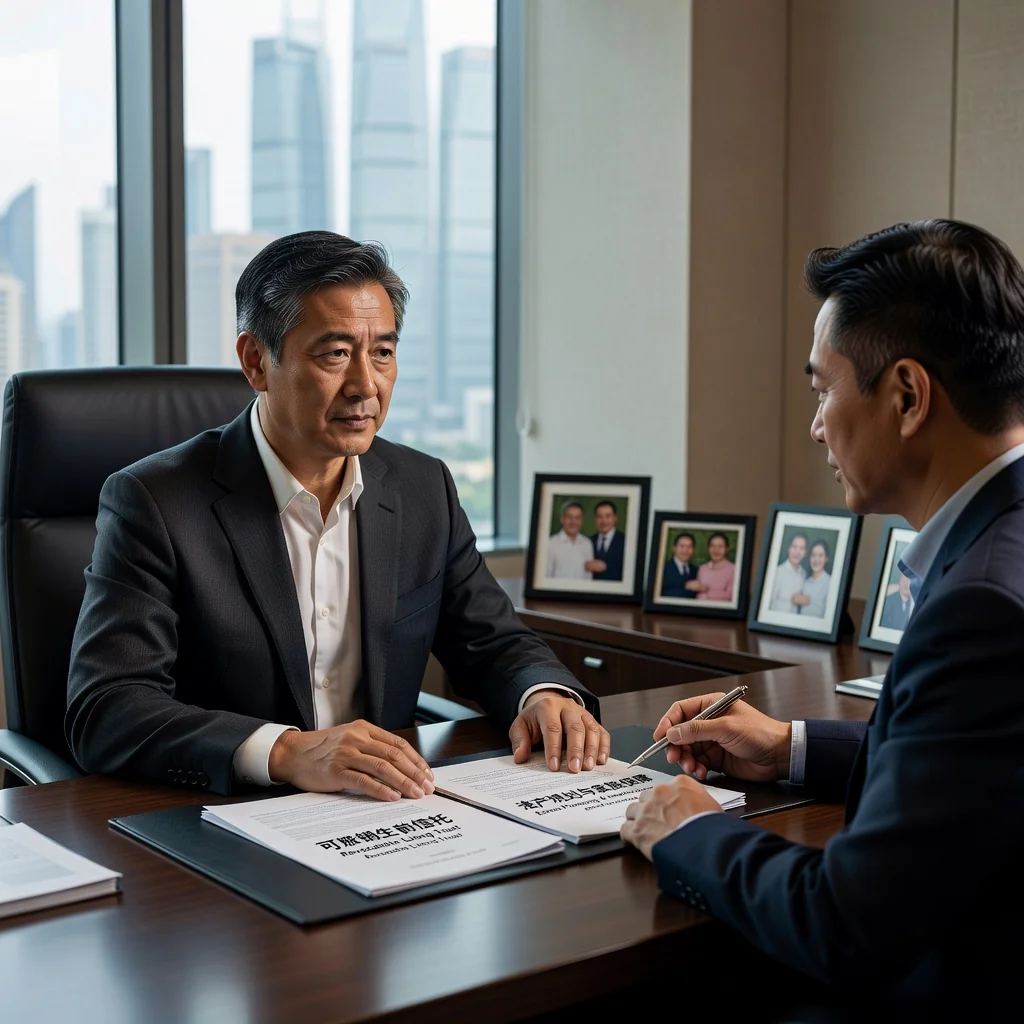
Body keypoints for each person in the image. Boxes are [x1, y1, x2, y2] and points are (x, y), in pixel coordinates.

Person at [620, 220, 1024, 1016]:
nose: (815, 426)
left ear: (907, 396)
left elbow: (847, 926)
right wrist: (787, 747)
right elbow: (971, 768)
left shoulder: (980, 606)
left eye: (821, 389)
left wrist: (690, 830)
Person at [67, 232, 610, 799]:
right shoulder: (155, 501)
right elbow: (108, 706)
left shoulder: (423, 488)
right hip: (226, 814)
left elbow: (494, 643)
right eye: (335, 354)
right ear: (256, 361)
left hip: (384, 816)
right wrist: (283, 750)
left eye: (383, 353)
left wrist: (543, 694)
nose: (366, 386)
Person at [544, 502, 595, 580]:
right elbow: (546, 577)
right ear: (562, 519)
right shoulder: (550, 544)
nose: (573, 522)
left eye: (577, 518)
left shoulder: (587, 543)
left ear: (581, 520)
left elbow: (589, 576)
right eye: (569, 517)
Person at [790, 538, 832, 618]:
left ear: (826, 558)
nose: (816, 560)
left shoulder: (830, 583)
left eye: (820, 555)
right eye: (813, 555)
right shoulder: (805, 583)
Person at [767, 533, 808, 612]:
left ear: (805, 552)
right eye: (794, 547)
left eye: (802, 548)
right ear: (789, 548)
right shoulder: (777, 572)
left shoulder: (804, 574)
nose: (797, 552)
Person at [691, 532, 736, 603]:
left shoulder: (733, 569)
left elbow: (730, 595)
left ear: (726, 549)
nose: (716, 550)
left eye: (720, 546)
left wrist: (706, 590)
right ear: (708, 548)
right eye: (713, 546)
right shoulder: (702, 569)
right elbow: (698, 595)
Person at [586, 500, 625, 580]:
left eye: (608, 516)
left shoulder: (626, 542)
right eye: (599, 517)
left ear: (615, 518)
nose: (604, 521)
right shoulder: (588, 542)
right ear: (595, 519)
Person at [660, 533, 700, 598]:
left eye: (689, 547)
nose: (685, 550)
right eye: (682, 546)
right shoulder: (662, 569)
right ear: (674, 548)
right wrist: (686, 586)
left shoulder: (696, 570)